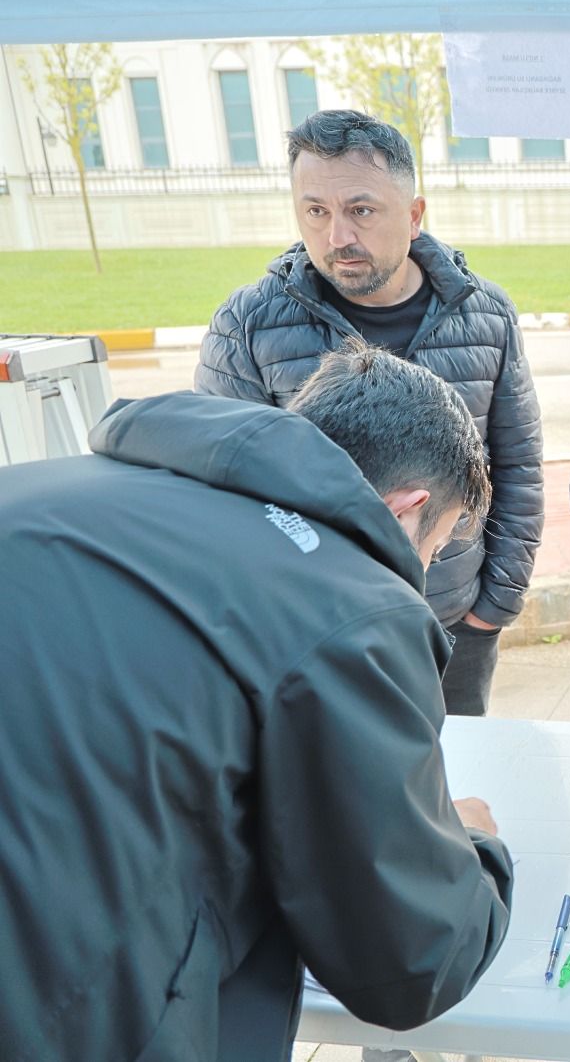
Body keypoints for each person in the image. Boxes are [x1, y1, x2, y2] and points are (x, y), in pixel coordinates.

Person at [0, 344, 513, 1062]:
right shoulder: (352, 606)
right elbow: (411, 964)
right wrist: (475, 849)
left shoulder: (55, 486)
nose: (417, 578)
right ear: (408, 509)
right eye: (432, 553)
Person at [195, 108, 543, 718]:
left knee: (454, 782)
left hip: (454, 623)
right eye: (315, 212)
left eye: (361, 210)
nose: (337, 237)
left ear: (413, 215)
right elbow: (223, 496)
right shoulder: (247, 326)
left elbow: (517, 462)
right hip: (314, 635)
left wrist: (494, 607)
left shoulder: (486, 314)